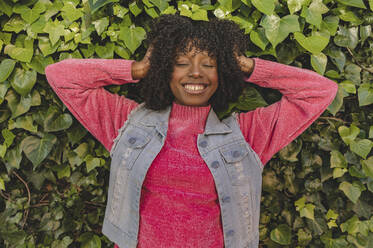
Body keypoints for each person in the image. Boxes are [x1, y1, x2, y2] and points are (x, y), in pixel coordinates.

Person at [45, 15, 338, 248]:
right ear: (164, 71)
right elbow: (60, 76)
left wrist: (247, 67)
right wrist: (138, 68)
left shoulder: (247, 135)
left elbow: (320, 91)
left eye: (209, 64)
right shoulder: (126, 122)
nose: (195, 73)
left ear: (221, 73)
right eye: (181, 63)